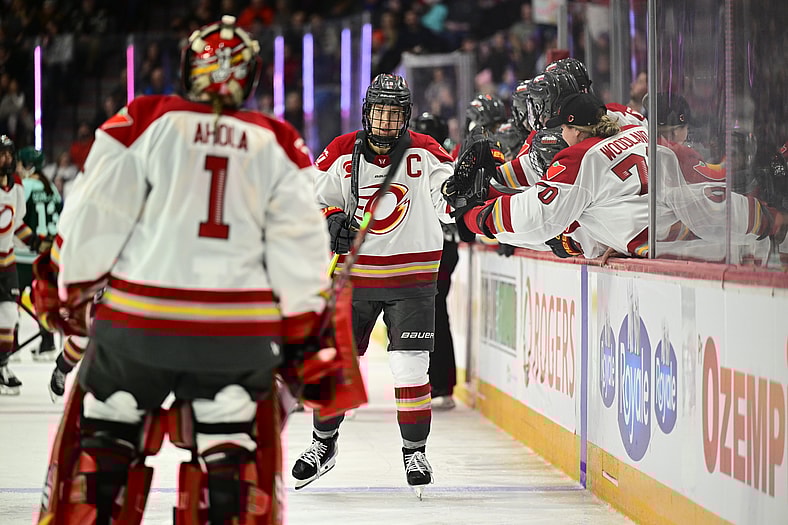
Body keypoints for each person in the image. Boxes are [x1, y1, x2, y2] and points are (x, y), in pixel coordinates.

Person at [33, 16, 358, 524]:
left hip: (136, 326)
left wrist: (65, 292)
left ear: (189, 69)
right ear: (251, 78)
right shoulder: (280, 140)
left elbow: (92, 219)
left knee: (105, 444)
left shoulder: (143, 118)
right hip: (236, 335)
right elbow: (301, 256)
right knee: (231, 460)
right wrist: (305, 340)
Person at [292, 73, 454, 495]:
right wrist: (330, 221)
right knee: (337, 365)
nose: (386, 122)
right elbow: (312, 200)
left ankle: (415, 451)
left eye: (394, 114)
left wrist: (461, 192)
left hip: (412, 279)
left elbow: (447, 205)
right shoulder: (340, 150)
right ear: (367, 113)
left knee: (410, 367)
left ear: (406, 117)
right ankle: (323, 443)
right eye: (380, 112)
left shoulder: (427, 151)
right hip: (354, 277)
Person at [447, 93, 651, 259]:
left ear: (576, 131)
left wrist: (472, 217)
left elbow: (534, 218)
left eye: (562, 128)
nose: (561, 134)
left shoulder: (579, 157)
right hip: (666, 240)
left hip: (649, 249)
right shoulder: (637, 132)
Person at [412, 112, 457, 410]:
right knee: (430, 313)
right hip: (429, 248)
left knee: (433, 312)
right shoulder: (421, 160)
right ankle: (436, 382)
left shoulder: (444, 162)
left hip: (438, 250)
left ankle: (438, 382)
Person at [0, 135, 38, 395]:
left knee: (9, 316)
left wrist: (37, 242)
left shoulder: (17, 186)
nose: (6, 159)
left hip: (8, 264)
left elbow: (16, 225)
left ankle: (2, 366)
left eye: (9, 154)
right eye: (2, 154)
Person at [18, 146, 62, 362]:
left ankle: (11, 345)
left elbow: (14, 217)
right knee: (42, 300)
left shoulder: (24, 186)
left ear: (27, 166)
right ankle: (47, 342)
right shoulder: (51, 187)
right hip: (46, 256)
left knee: (10, 302)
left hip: (23, 253)